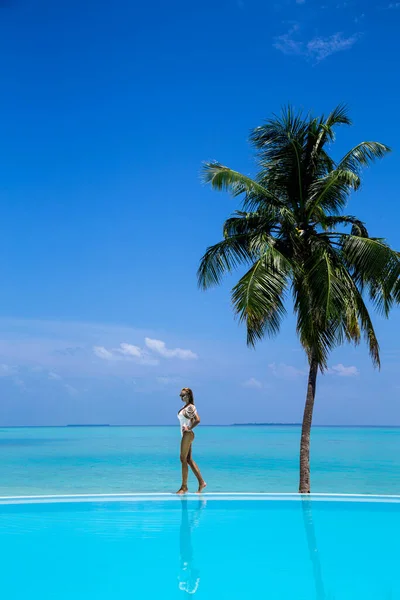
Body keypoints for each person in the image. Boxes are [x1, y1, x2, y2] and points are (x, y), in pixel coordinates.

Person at [176, 388, 207, 494]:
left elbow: (197, 420)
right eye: (180, 395)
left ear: (188, 395)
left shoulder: (191, 407)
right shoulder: (185, 407)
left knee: (182, 459)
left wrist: (189, 428)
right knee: (188, 459)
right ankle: (201, 482)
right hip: (185, 434)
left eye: (183, 395)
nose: (181, 397)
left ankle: (184, 487)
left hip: (187, 434)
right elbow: (191, 420)